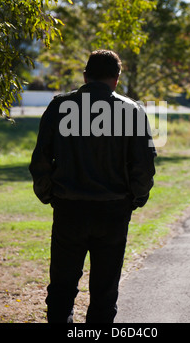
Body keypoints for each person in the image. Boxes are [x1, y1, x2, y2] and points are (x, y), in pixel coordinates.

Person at [29, 49, 156, 323]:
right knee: (104, 293)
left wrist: (50, 195)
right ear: (117, 78)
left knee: (62, 290)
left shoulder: (60, 107)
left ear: (85, 76)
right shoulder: (132, 111)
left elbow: (40, 160)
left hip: (69, 210)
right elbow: (144, 167)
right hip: (113, 211)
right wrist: (134, 199)